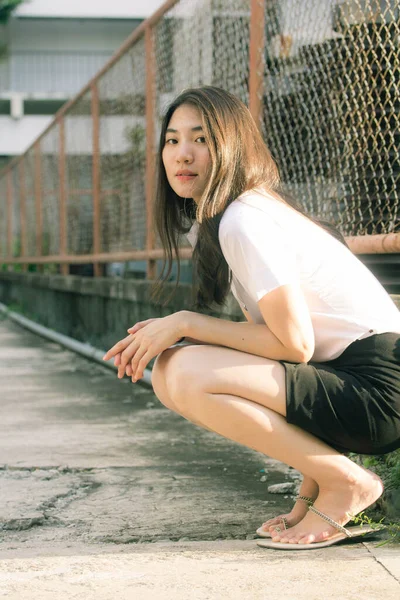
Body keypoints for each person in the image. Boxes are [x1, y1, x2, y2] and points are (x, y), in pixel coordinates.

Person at [103, 86, 400, 550]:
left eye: (200, 139)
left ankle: (348, 482)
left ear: (232, 145)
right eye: (172, 140)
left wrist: (183, 323)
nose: (182, 154)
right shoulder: (239, 214)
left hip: (380, 392)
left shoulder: (245, 220)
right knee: (175, 366)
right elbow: (300, 355)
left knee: (182, 370)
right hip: (356, 382)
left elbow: (294, 347)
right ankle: (324, 483)